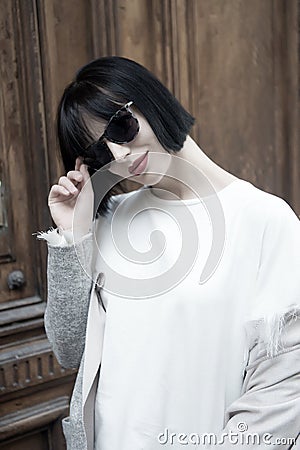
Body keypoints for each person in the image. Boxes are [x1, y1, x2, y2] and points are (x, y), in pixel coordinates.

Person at [36, 56, 300, 450]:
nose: (119, 155)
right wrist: (73, 238)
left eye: (120, 127)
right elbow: (70, 351)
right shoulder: (108, 220)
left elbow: (282, 386)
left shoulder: (265, 219)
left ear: (151, 100)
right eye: (100, 153)